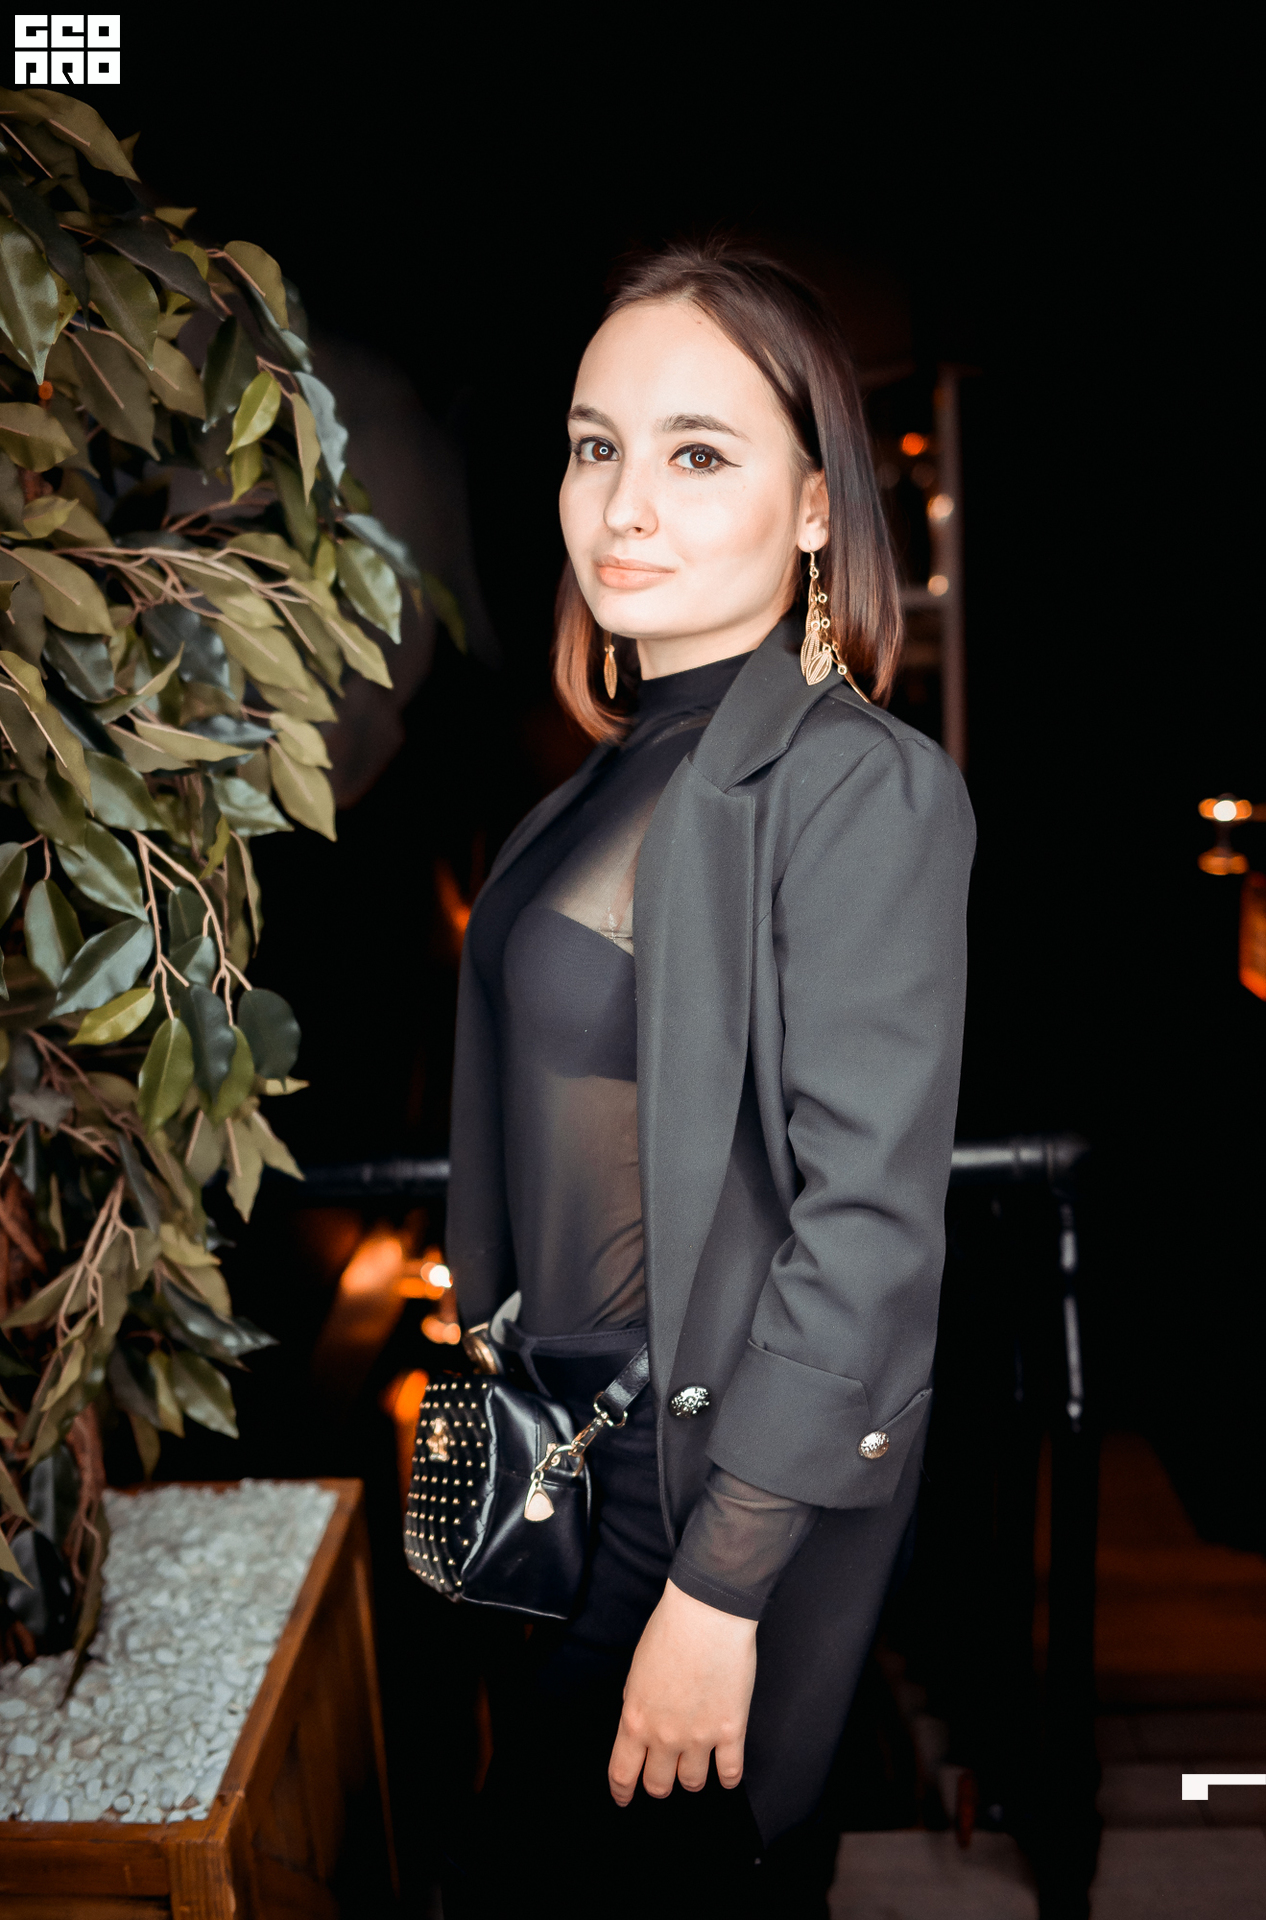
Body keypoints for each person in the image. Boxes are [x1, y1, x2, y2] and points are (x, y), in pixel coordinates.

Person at [442, 240, 975, 1917]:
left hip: (689, 1505)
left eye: (695, 452)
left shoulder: (855, 788)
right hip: (545, 1472)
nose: (622, 504)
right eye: (594, 446)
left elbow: (866, 1229)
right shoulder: (593, 788)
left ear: (815, 508)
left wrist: (718, 1590)